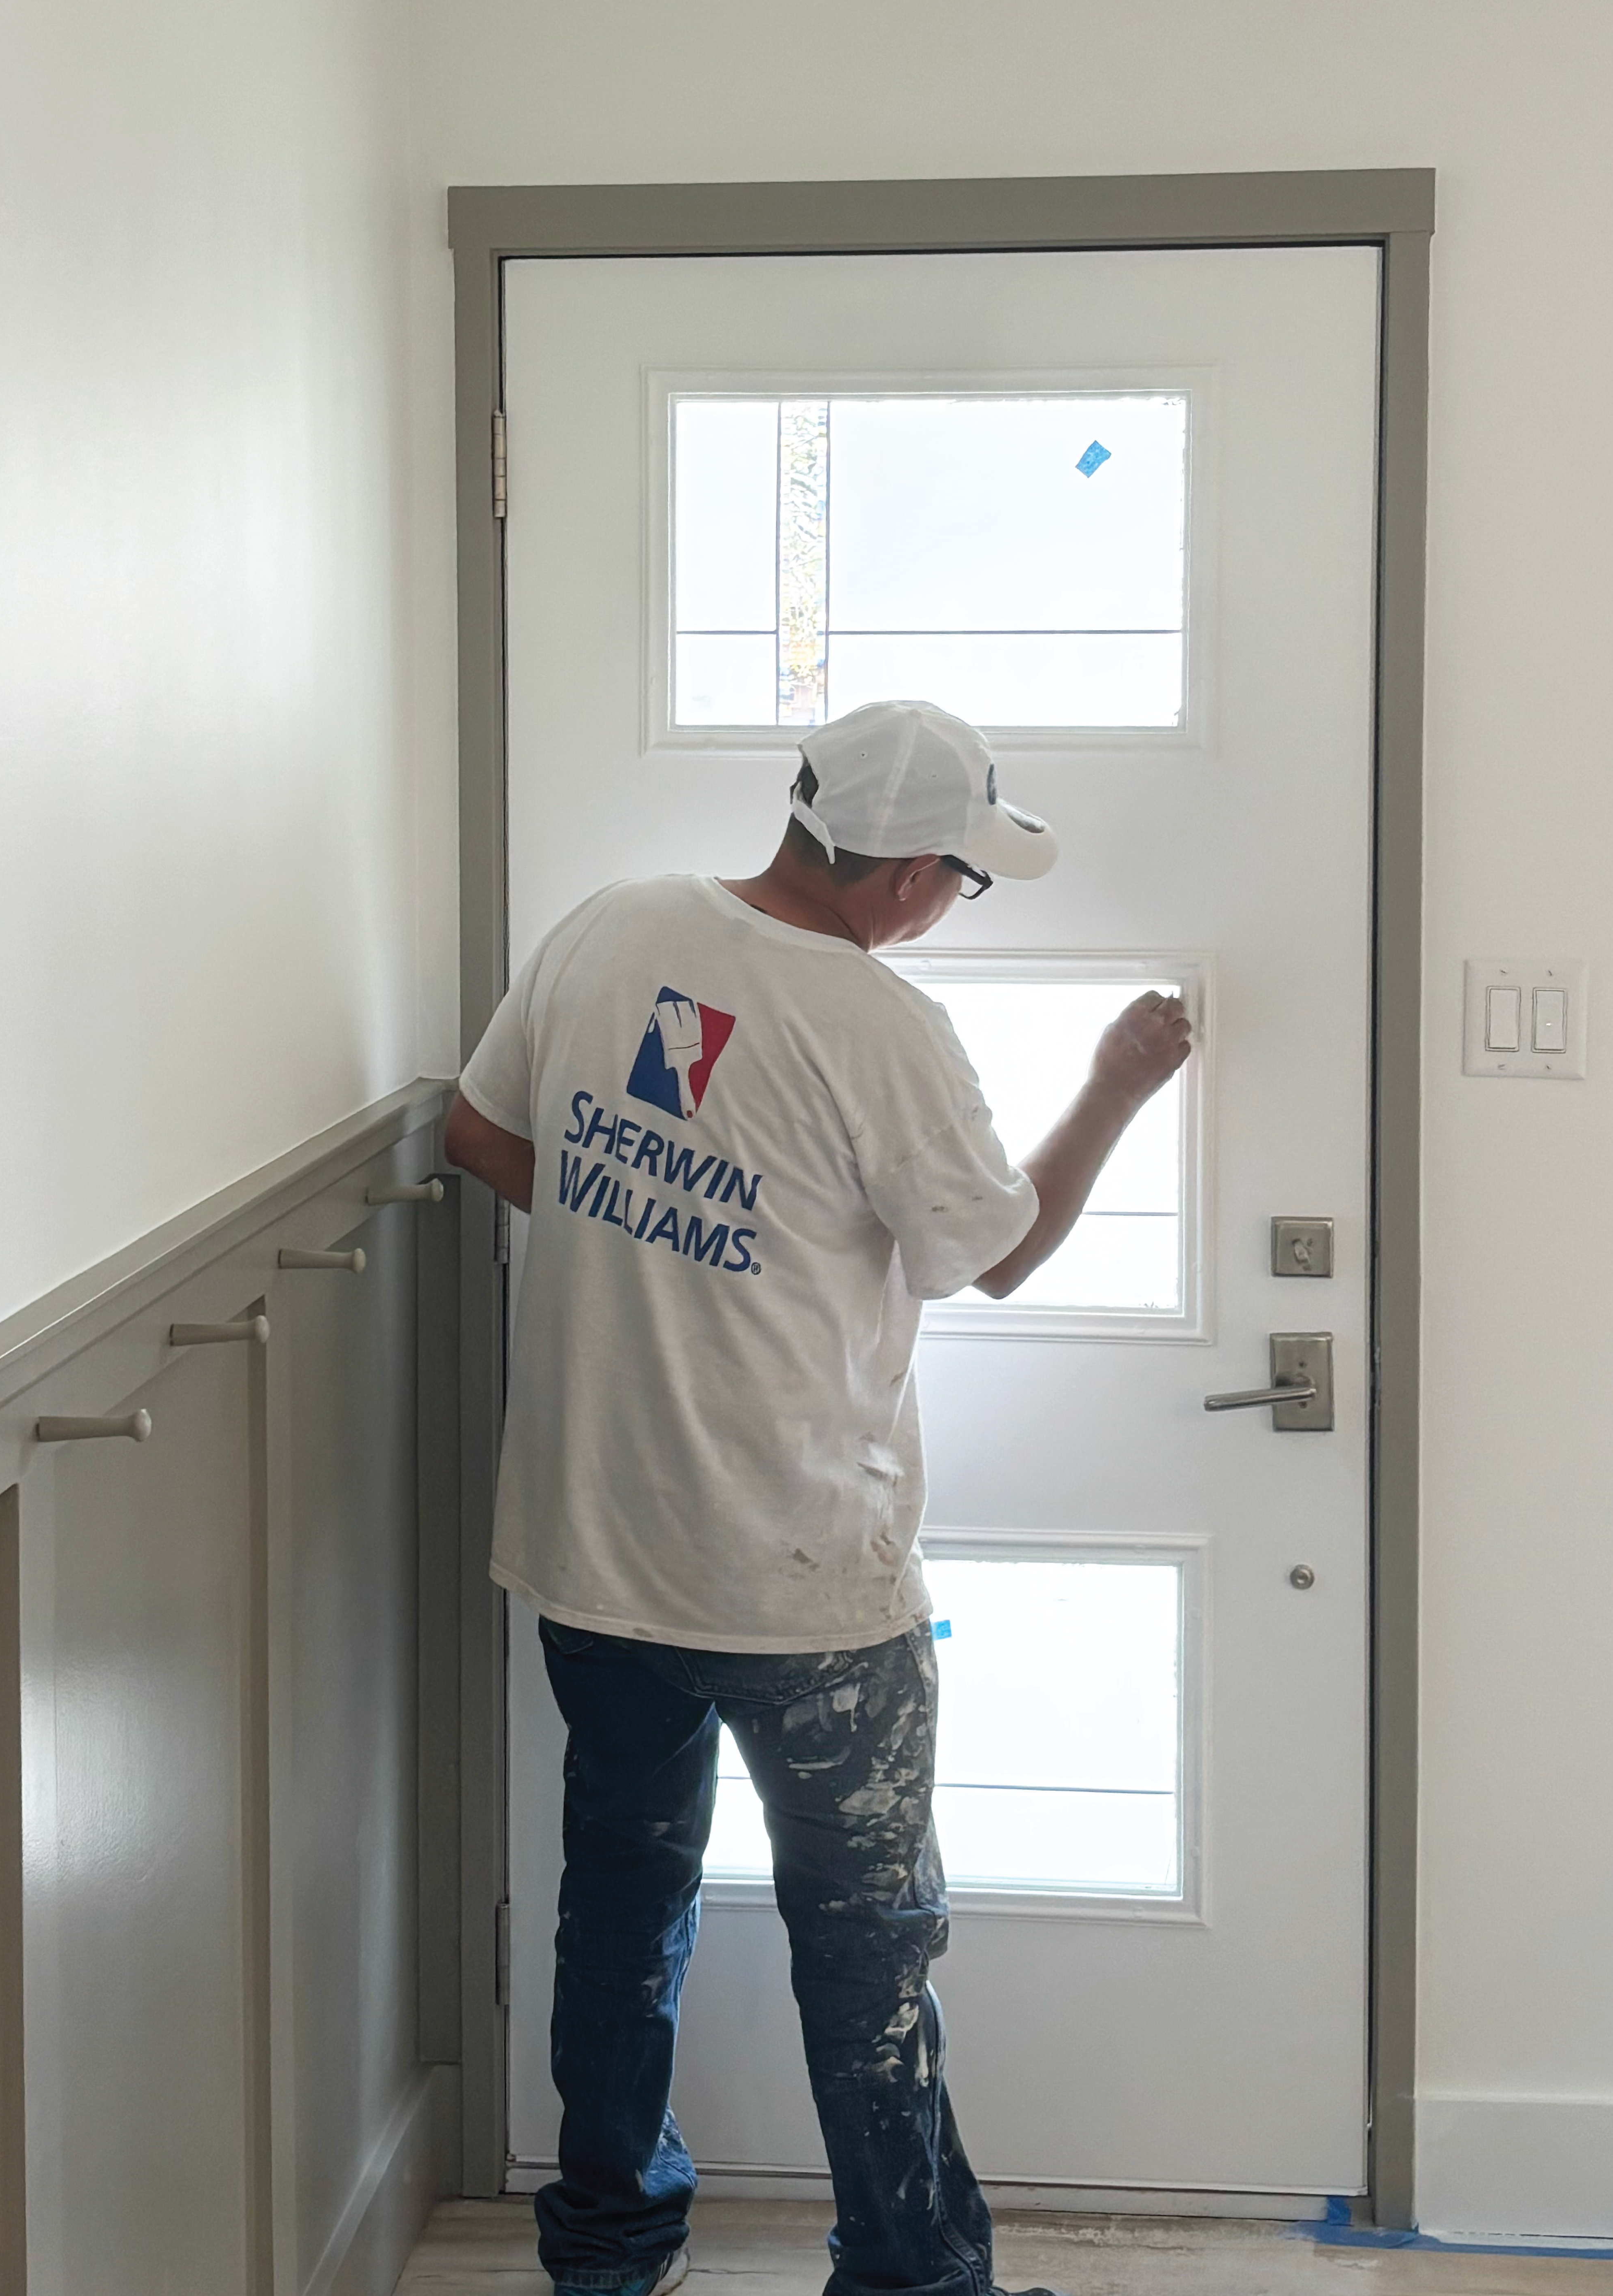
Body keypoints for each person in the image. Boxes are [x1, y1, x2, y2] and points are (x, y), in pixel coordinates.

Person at [445, 700, 1192, 2296]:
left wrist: (646, 1241)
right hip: (802, 1591)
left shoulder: (612, 926)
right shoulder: (879, 1026)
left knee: (621, 1906)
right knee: (870, 1951)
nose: (950, 907)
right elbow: (996, 1250)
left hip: (593, 1556)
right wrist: (1122, 1080)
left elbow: (478, 1128)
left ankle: (608, 2251)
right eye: (964, 880)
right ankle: (914, 2278)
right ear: (916, 867)